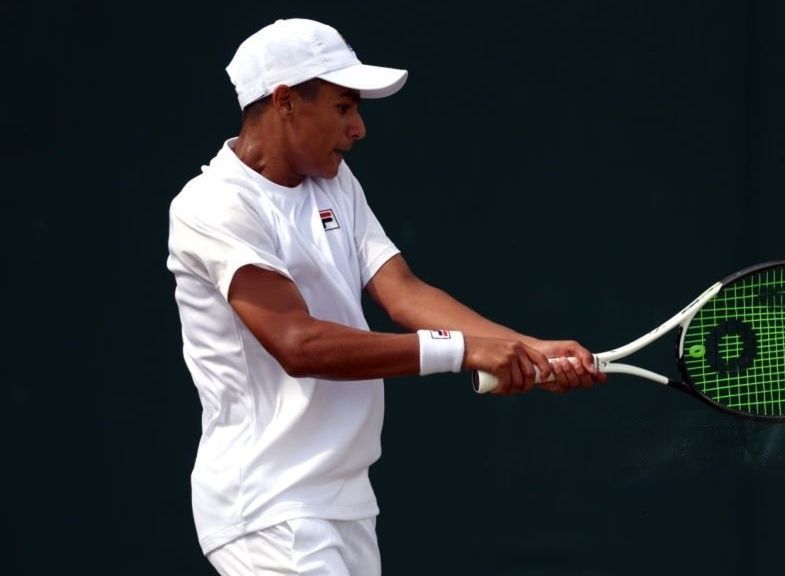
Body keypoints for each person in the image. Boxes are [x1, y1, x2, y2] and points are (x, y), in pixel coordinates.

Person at [166, 18, 604, 576]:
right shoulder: (213, 205)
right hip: (268, 506)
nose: (359, 128)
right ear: (285, 102)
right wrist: (461, 350)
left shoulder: (336, 184)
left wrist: (528, 347)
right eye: (343, 107)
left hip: (343, 502)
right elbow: (298, 344)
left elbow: (403, 292)